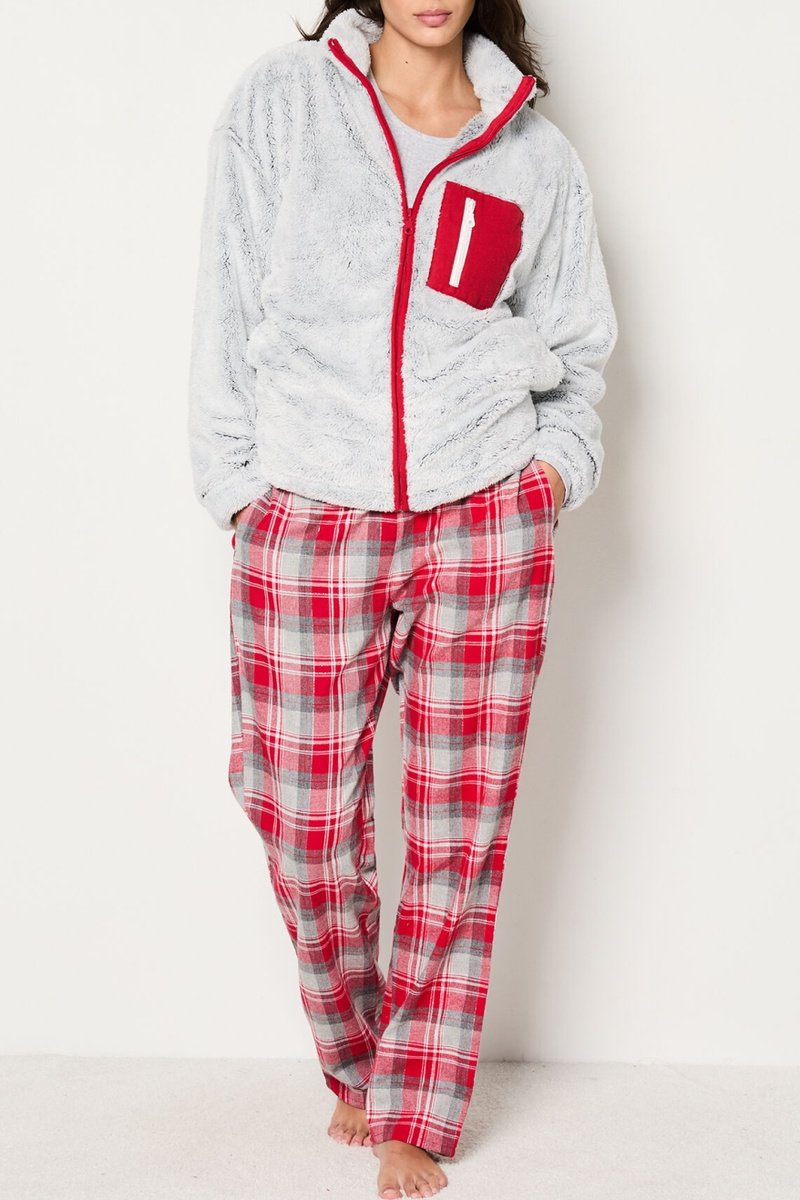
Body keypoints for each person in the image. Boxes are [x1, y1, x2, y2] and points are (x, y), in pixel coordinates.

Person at [187, 1, 618, 1196]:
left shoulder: (531, 151)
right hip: (307, 512)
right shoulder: (283, 104)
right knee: (298, 813)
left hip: (483, 512)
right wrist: (236, 491)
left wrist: (550, 473)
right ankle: (360, 1053)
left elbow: (575, 349)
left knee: (456, 826)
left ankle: (414, 1108)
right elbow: (227, 300)